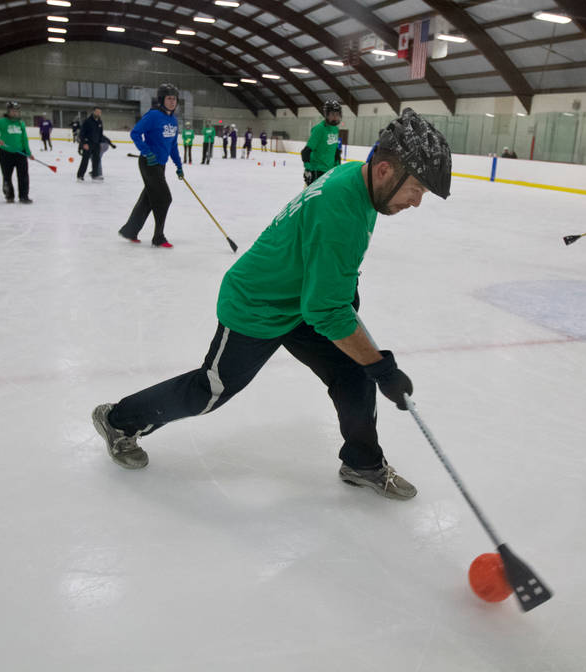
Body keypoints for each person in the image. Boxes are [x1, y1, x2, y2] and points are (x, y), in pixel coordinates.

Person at [91, 108, 452, 500]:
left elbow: (325, 283)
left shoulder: (357, 179)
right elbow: (325, 309)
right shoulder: (342, 210)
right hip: (256, 303)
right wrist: (382, 366)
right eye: (416, 188)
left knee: (354, 373)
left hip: (299, 301)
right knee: (211, 390)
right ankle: (118, 420)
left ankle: (363, 462)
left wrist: (365, 352)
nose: (417, 201)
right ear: (384, 170)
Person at [118, 83, 184, 248]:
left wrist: (178, 165)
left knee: (148, 199)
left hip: (161, 165)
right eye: (169, 98)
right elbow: (135, 133)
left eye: (174, 99)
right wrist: (147, 152)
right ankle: (158, 237)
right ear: (162, 100)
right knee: (164, 198)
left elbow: (173, 146)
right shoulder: (153, 116)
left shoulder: (173, 121)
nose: (172, 102)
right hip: (148, 163)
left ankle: (129, 231)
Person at [0, 101, 33, 204]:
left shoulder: (21, 123)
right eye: (13, 111)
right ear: (8, 111)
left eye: (17, 111)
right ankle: (9, 195)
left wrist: (28, 152)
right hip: (5, 153)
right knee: (7, 176)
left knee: (23, 175)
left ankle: (24, 196)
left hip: (20, 153)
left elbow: (24, 139)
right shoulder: (1, 122)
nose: (15, 113)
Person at [302, 99, 342, 186]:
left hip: (329, 171)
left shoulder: (335, 129)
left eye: (337, 114)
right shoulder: (319, 129)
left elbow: (335, 151)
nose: (335, 117)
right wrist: (308, 169)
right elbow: (306, 151)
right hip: (317, 171)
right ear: (326, 115)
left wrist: (337, 166)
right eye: (332, 114)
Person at [77, 107, 115, 182]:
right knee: (85, 160)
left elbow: (100, 134)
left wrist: (105, 143)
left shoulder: (99, 122)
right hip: (88, 144)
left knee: (96, 160)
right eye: (97, 112)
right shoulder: (87, 121)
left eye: (99, 112)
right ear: (93, 112)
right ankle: (80, 176)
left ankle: (95, 175)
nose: (98, 113)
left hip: (96, 144)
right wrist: (84, 143)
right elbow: (81, 134)